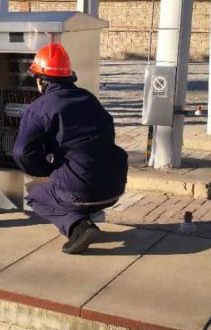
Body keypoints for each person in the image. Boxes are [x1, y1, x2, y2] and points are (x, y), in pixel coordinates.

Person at [12, 43, 128, 254]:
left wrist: (45, 171)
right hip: (115, 188)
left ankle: (78, 227)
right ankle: (83, 212)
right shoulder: (89, 99)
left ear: (40, 81)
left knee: (35, 195)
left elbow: (22, 152)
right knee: (77, 178)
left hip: (82, 191)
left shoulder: (40, 108)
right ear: (68, 76)